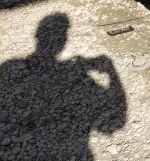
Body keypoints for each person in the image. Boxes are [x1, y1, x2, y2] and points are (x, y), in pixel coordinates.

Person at [0, 13, 127, 160]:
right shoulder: (79, 74)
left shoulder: (8, 66)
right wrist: (111, 71)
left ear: (36, 36)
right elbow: (117, 122)